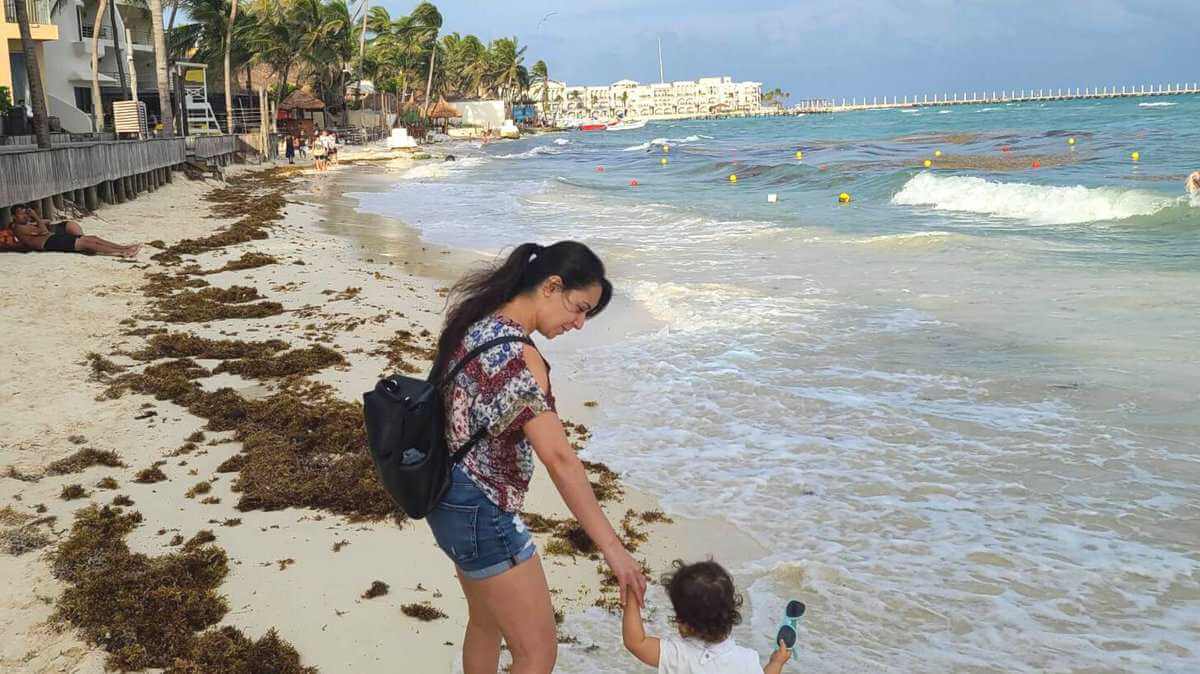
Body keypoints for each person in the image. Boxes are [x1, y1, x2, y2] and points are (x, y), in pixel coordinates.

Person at [427, 241, 640, 674]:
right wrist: (614, 550)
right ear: (551, 286)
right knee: (537, 655)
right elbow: (559, 458)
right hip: (482, 513)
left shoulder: (478, 322)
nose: (579, 323)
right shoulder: (515, 354)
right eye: (579, 308)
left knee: (486, 624)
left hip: (449, 498)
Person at [622, 559, 792, 674]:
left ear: (686, 623)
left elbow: (636, 643)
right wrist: (776, 663)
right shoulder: (747, 660)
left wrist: (632, 597)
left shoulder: (677, 654)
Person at [10, 205, 140, 257]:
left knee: (92, 238)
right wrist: (36, 216)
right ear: (14, 216)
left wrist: (35, 220)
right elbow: (43, 231)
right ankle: (122, 252)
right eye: (22, 214)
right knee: (87, 243)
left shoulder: (24, 225)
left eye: (25, 214)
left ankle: (124, 247)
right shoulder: (18, 227)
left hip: (52, 239)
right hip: (49, 242)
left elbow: (42, 228)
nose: (25, 216)